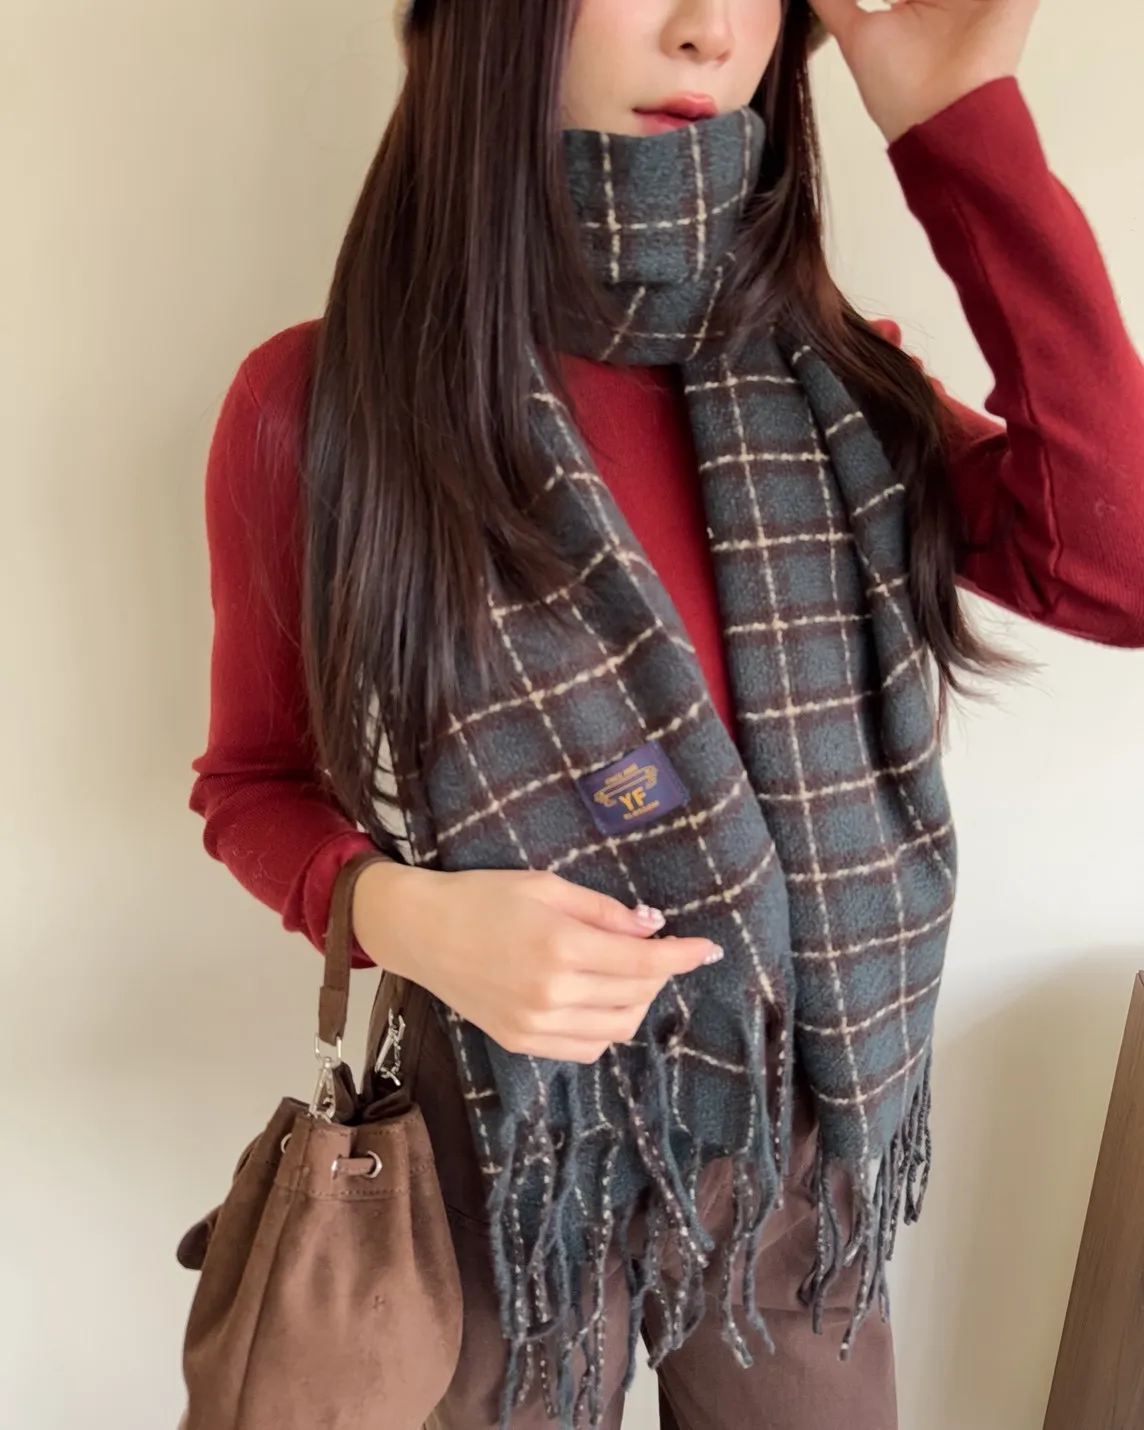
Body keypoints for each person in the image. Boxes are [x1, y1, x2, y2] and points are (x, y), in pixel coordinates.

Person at [189, 1, 1144, 1426]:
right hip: (503, 1140)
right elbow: (253, 783)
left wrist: (960, 131)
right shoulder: (324, 406)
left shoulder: (846, 401)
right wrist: (406, 915)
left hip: (798, 1139)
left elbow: (1118, 568)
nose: (709, 31)